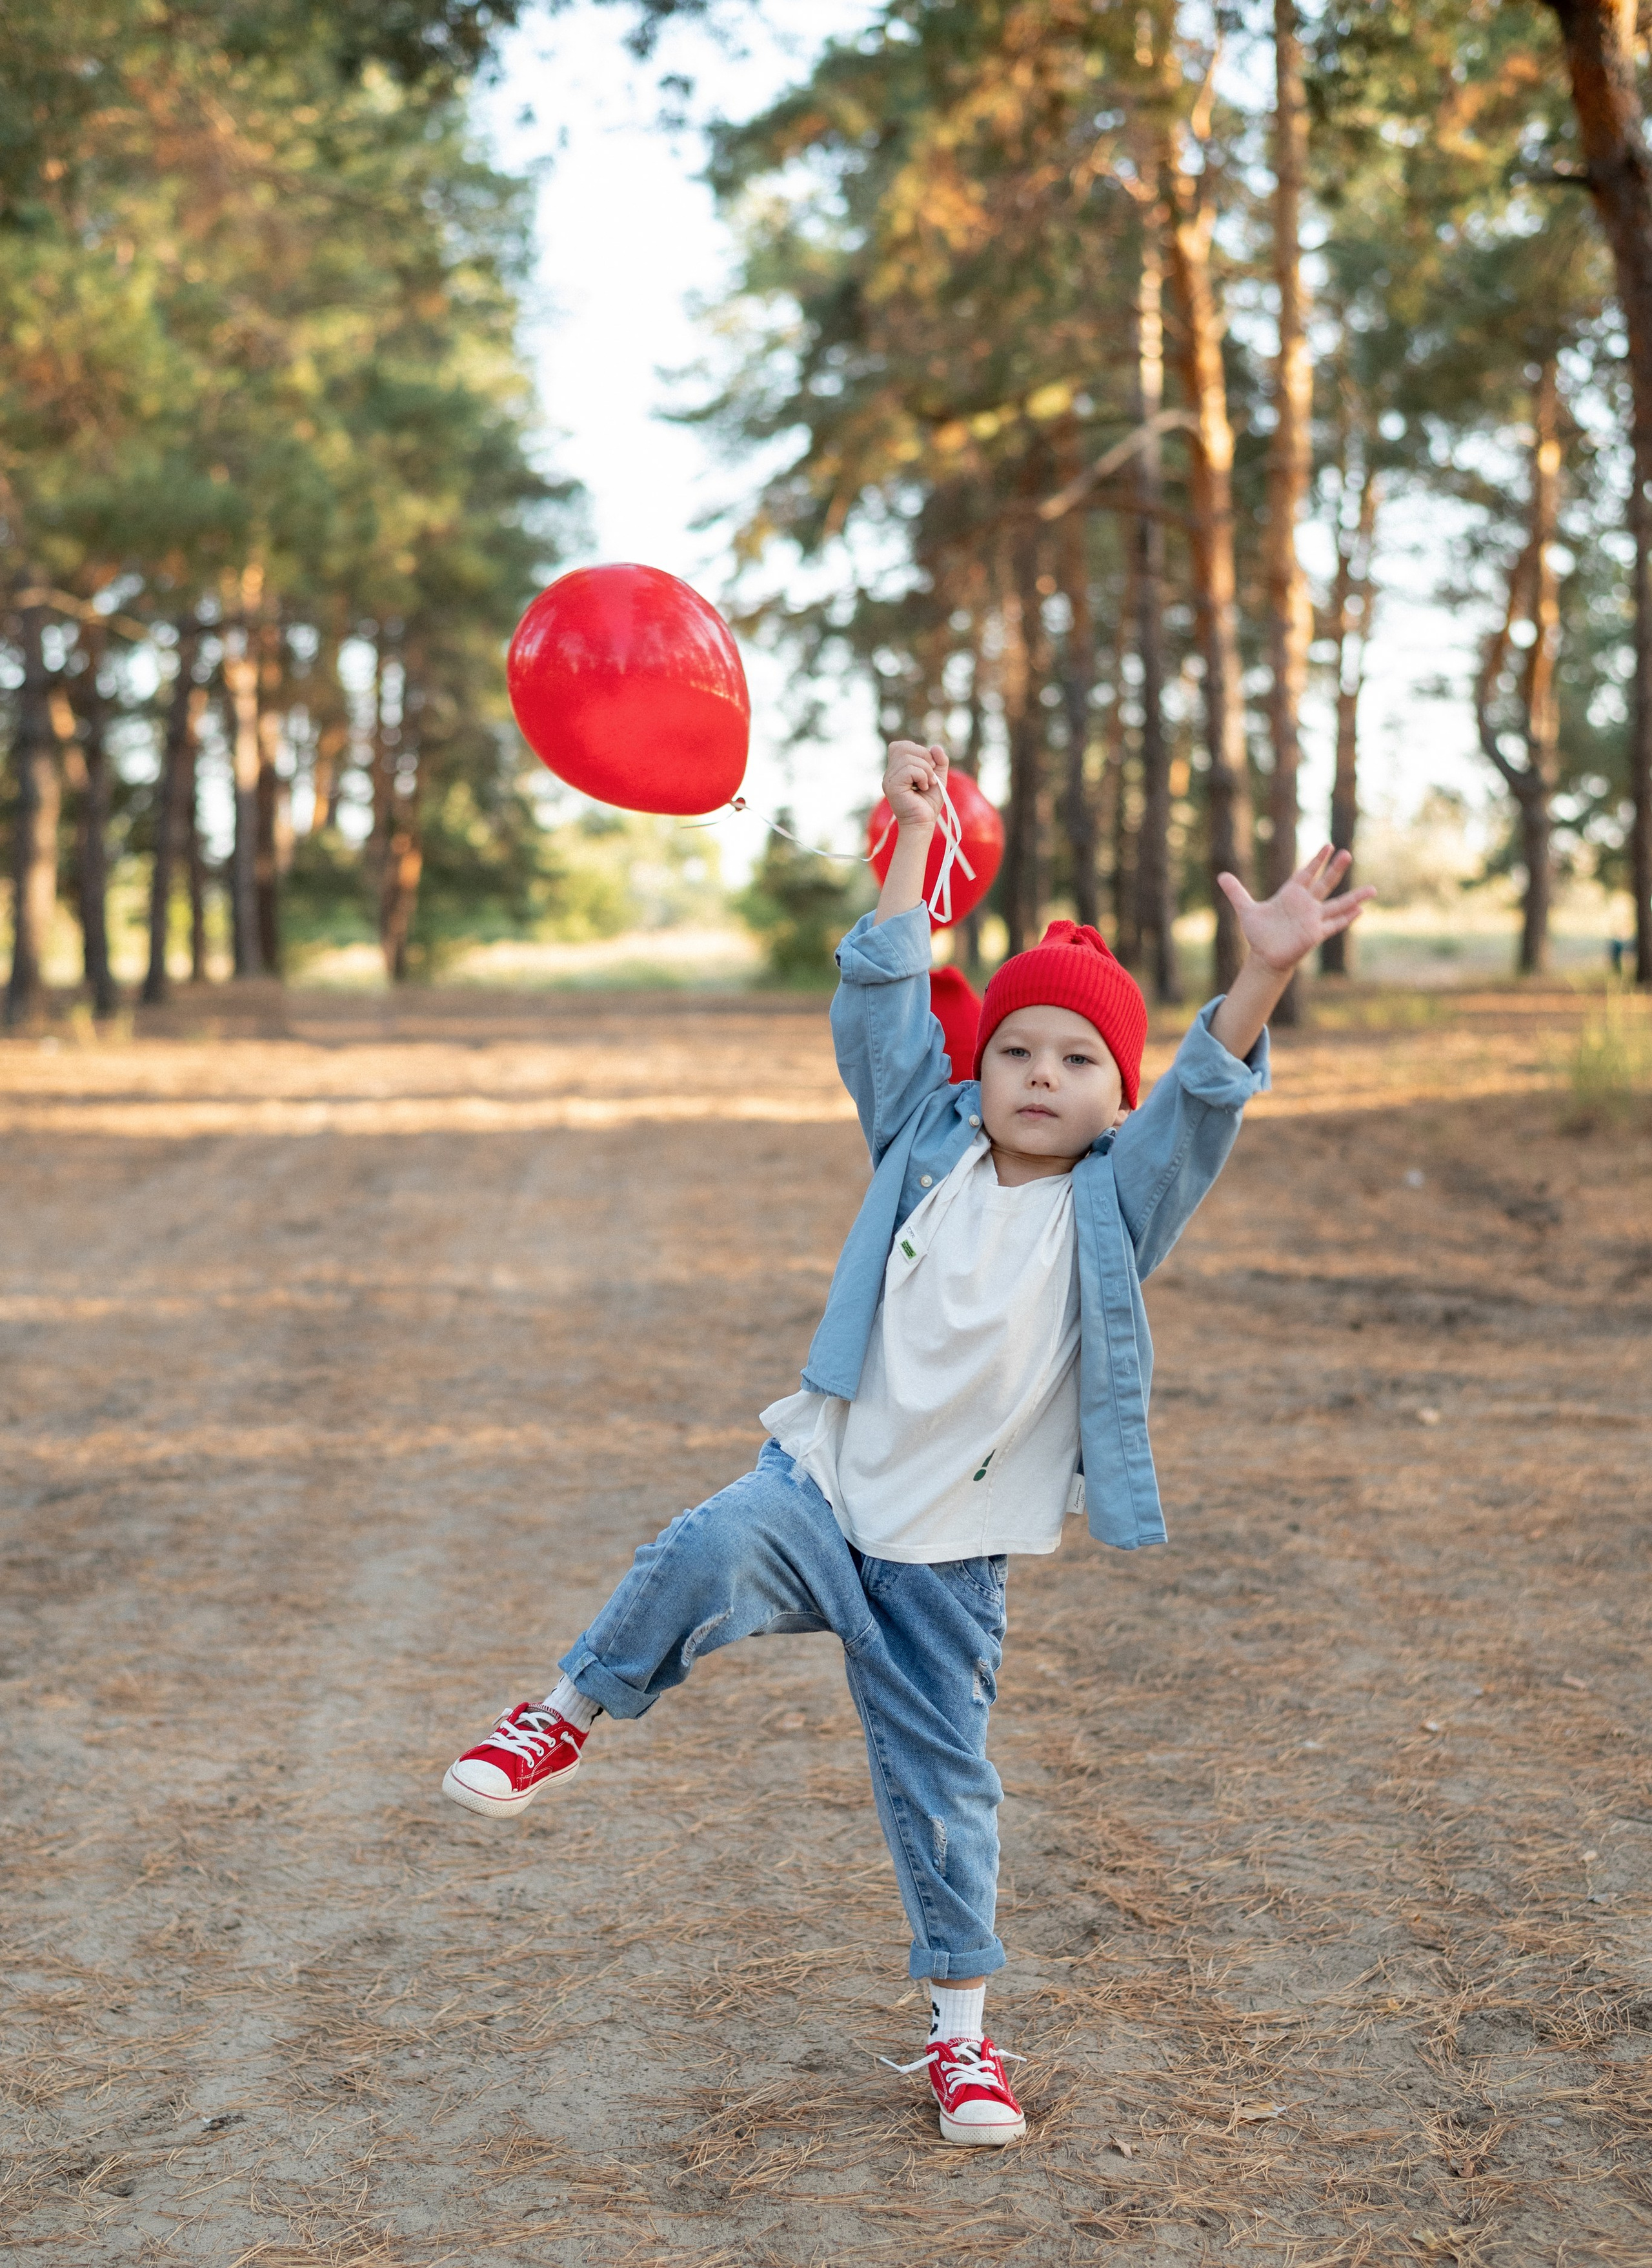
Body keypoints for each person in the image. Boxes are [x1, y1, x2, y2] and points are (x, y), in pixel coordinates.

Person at [442, 741, 1373, 2147]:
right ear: (975, 1067)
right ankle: (560, 1716)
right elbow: (881, 991)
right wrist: (913, 838)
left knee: (944, 1794)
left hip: (948, 1562)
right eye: (1013, 1050)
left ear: (1113, 1095)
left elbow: (1202, 1097)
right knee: (699, 1547)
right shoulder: (919, 1142)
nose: (1039, 1075)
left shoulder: (1116, 1207)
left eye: (1075, 1059)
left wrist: (1261, 977)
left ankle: (959, 2041)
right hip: (821, 1490)